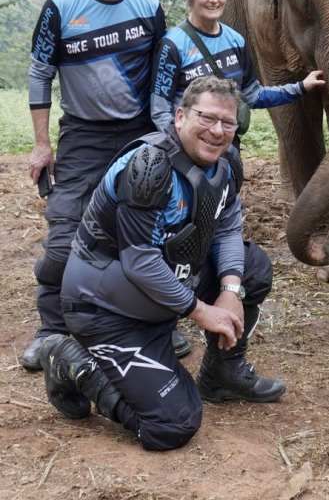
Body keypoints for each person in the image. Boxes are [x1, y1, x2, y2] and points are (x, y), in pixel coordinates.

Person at [38, 76, 284, 451]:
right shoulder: (148, 167)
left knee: (252, 267)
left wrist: (231, 290)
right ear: (180, 116)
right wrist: (201, 310)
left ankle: (222, 373)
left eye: (228, 123)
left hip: (163, 293)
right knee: (171, 425)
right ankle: (71, 359)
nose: (217, 131)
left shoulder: (227, 161)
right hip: (110, 309)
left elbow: (228, 226)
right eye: (207, 118)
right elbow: (140, 262)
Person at [24, 0, 166, 371]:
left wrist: (165, 135)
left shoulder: (149, 7)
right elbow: (39, 72)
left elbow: (164, 75)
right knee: (64, 237)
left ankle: (152, 325)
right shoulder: (62, 6)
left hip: (139, 133)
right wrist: (42, 145)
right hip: (83, 134)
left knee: (146, 232)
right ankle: (51, 332)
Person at [150, 0, 324, 133]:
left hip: (226, 144)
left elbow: (252, 95)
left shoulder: (235, 40)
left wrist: (300, 87)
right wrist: (180, 146)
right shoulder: (172, 44)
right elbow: (160, 111)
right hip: (188, 147)